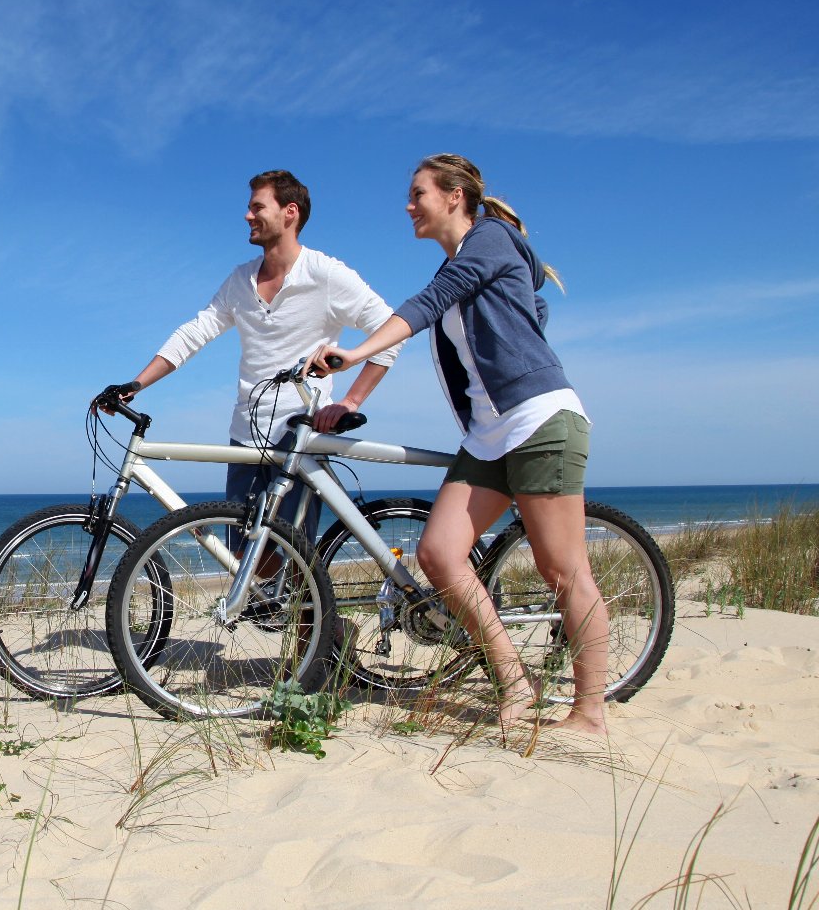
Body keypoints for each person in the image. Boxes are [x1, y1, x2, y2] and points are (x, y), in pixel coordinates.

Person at [307, 154, 608, 736]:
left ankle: (589, 712)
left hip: (540, 420)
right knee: (440, 554)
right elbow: (527, 308)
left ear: (454, 196)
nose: (408, 204)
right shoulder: (471, 263)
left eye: (418, 192)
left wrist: (355, 353)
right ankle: (514, 678)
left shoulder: (490, 239)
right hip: (489, 434)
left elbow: (429, 303)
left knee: (562, 568)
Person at [102, 170, 402, 543]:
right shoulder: (240, 280)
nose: (247, 215)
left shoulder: (325, 274)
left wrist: (350, 401)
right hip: (245, 434)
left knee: (293, 562)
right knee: (243, 559)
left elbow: (391, 331)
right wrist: (136, 384)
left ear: (289, 212)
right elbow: (195, 333)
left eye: (257, 207)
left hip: (299, 433)